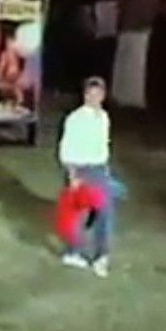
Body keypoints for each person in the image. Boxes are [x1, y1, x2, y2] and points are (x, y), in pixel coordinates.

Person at [57, 76, 114, 277]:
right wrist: (72, 175)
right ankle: (73, 253)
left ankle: (100, 256)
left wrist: (105, 169)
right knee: (76, 215)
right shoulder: (75, 119)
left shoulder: (104, 117)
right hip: (80, 169)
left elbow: (102, 145)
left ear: (103, 96)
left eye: (98, 94)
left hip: (98, 169)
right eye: (91, 94)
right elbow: (66, 148)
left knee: (104, 213)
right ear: (85, 95)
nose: (95, 98)